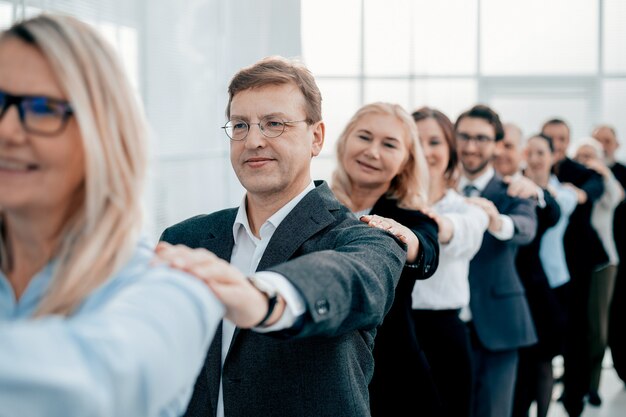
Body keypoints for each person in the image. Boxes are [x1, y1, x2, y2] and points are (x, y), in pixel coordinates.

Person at [156, 56, 407, 417]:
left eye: (274, 124)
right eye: (240, 125)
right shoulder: (186, 238)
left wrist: (265, 298)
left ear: (316, 137)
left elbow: (348, 279)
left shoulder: (366, 238)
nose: (253, 140)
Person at [0, 14, 224, 417]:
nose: (7, 130)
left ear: (101, 133)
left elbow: (84, 390)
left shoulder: (173, 290)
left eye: (42, 108)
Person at [329, 102, 440, 416]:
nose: (373, 151)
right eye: (364, 137)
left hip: (393, 376)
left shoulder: (414, 218)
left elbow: (426, 249)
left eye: (389, 144)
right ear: (344, 141)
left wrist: (406, 238)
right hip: (318, 372)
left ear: (406, 161)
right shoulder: (311, 204)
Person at [455, 104, 538, 417]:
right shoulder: (436, 187)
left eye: (481, 138)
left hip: (498, 322)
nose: (471, 146)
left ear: (496, 144)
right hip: (444, 324)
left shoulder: (514, 188)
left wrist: (496, 221)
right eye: (463, 136)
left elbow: (525, 228)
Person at [411, 106, 489, 417]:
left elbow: (464, 234)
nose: (424, 151)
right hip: (393, 334)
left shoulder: (467, 208)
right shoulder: (382, 205)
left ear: (450, 150)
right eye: (415, 141)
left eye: (434, 142)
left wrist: (431, 224)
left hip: (445, 334)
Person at [495, 132, 565, 417]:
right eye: (530, 152)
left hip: (535, 286)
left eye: (541, 153)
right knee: (518, 366)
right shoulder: (503, 184)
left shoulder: (539, 192)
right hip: (503, 286)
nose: (534, 159)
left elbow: (552, 214)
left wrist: (537, 191)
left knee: (542, 360)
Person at [542, 119, 605, 417]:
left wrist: (580, 194)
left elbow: (596, 182)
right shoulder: (535, 167)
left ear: (567, 142)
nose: (555, 143)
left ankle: (574, 398)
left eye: (561, 138)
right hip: (542, 267)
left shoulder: (576, 172)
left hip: (577, 262)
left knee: (577, 330)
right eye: (550, 137)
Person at [573, 137, 624, 406]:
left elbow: (617, 196)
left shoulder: (604, 184)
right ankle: (577, 384)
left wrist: (602, 169)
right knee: (579, 326)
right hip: (577, 263)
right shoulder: (576, 183)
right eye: (580, 156)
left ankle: (592, 385)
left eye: (590, 155)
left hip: (603, 264)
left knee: (597, 328)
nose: (585, 161)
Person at [592, 125, 626, 387]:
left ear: (617, 144)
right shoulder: (586, 173)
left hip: (619, 256)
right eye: (598, 141)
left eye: (608, 141)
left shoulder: (621, 174)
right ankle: (591, 383)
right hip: (598, 259)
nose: (603, 145)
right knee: (598, 323)